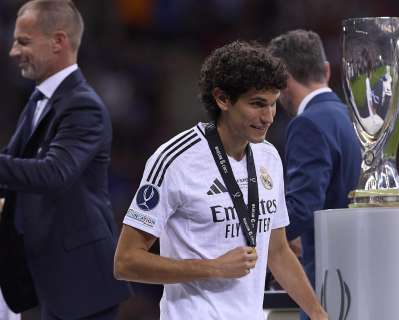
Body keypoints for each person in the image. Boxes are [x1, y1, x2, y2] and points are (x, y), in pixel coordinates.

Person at [113, 41, 327, 320]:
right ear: (222, 99)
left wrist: (318, 313)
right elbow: (126, 261)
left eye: (273, 104)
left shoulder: (268, 158)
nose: (268, 117)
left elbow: (277, 251)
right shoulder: (173, 160)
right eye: (257, 104)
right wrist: (213, 268)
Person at [0, 1, 132, 319]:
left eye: (24, 41)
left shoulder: (83, 106)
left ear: (58, 41)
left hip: (80, 283)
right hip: (49, 276)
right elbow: (12, 163)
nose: (14, 52)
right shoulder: (39, 101)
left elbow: (55, 173)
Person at [268, 29, 361, 306]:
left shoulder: (308, 123)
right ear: (327, 70)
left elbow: (302, 210)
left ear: (282, 81)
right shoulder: (354, 119)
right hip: (360, 274)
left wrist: (250, 240)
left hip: (328, 282)